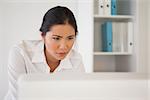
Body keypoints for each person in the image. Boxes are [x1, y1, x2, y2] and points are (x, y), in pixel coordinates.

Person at [4, 6, 85, 100]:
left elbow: (78, 95)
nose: (64, 46)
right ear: (43, 36)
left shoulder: (76, 60)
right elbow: (18, 96)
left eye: (70, 38)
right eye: (56, 38)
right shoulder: (20, 53)